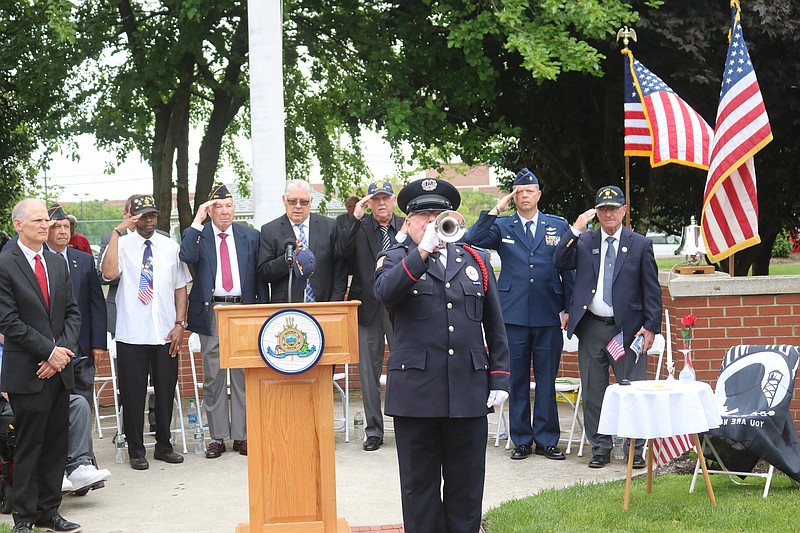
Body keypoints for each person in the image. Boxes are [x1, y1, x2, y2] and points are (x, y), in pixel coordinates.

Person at [374, 178, 510, 533]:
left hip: (467, 390)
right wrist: (422, 253)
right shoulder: (395, 258)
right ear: (408, 223)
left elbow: (495, 325)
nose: (433, 222)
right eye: (424, 216)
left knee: (466, 489)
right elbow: (386, 293)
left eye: (440, 215)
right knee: (420, 491)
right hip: (416, 395)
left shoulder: (475, 261)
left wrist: (499, 377)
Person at [465, 168, 575, 461]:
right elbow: (471, 239)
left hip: (548, 311)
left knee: (546, 378)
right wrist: (495, 208)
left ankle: (548, 439)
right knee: (515, 381)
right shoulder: (503, 225)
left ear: (539, 194)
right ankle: (522, 439)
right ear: (514, 196)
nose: (524, 196)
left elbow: (568, 267)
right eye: (519, 192)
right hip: (512, 314)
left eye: (529, 191)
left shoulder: (557, 225)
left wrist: (567, 307)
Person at [553, 185, 662, 469]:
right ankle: (600, 447)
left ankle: (634, 449)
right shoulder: (586, 241)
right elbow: (559, 261)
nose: (608, 214)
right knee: (593, 391)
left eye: (614, 209)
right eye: (603, 209)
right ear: (596, 212)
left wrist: (651, 328)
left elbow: (652, 290)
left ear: (624, 210)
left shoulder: (640, 244)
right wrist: (576, 229)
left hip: (627, 331)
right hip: (592, 328)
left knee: (632, 391)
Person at [0, 199, 82, 533]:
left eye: (46, 220)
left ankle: (50, 511)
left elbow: (73, 312)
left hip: (58, 371)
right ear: (18, 224)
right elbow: (8, 320)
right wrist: (49, 352)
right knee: (29, 446)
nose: (45, 225)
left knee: (55, 446)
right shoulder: (5, 262)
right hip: (28, 372)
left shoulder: (56, 262)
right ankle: (25, 516)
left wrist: (60, 352)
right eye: (38, 221)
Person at [100, 194, 191, 471]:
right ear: (132, 217)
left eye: (152, 215)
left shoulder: (169, 246)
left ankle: (164, 445)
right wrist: (118, 231)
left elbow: (180, 287)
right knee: (132, 393)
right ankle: (136, 450)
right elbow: (108, 273)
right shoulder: (122, 245)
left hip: (165, 332)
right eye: (142, 215)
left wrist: (179, 323)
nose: (148, 220)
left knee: (165, 391)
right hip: (132, 334)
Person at [179, 184, 267, 458]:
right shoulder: (198, 236)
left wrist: (260, 311)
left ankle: (242, 436)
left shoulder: (250, 235)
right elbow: (186, 256)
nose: (225, 212)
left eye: (229, 206)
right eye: (218, 207)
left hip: (242, 310)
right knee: (214, 375)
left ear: (234, 209)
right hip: (213, 310)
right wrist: (197, 221)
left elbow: (260, 274)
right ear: (209, 210)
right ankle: (217, 436)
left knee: (242, 375)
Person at [334, 181, 404, 451]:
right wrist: (356, 216)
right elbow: (341, 251)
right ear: (369, 203)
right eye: (376, 199)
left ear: (394, 200)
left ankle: (406, 423)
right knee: (368, 373)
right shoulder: (359, 226)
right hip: (367, 308)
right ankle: (374, 430)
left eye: (386, 198)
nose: (381, 204)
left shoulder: (405, 226)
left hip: (401, 306)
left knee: (406, 368)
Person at [44, 204, 108, 407]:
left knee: (83, 405)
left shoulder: (84, 260)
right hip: (48, 347)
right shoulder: (36, 259)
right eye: (57, 226)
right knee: (53, 407)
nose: (63, 231)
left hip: (81, 346)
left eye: (66, 226)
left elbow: (96, 303)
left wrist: (98, 344)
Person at [257, 179, 347, 303]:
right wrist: (288, 259)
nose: (298, 206)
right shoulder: (270, 230)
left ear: (311, 202)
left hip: (324, 304)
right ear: (284, 200)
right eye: (292, 201)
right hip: (287, 307)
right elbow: (264, 272)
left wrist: (335, 302)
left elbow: (340, 268)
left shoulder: (329, 226)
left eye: (304, 202)